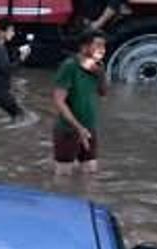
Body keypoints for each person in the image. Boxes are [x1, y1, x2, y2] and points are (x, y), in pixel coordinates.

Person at [52, 31, 108, 174]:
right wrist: (78, 128)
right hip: (68, 130)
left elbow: (103, 93)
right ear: (84, 47)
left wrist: (100, 74)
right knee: (63, 175)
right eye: (98, 45)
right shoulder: (69, 66)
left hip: (89, 128)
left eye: (104, 46)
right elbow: (59, 101)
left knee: (90, 173)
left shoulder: (97, 66)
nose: (102, 49)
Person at [0, 19, 31, 119]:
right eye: (11, 31)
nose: (13, 33)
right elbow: (8, 70)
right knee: (22, 117)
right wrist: (22, 58)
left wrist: (16, 53)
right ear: (1, 32)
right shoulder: (0, 47)